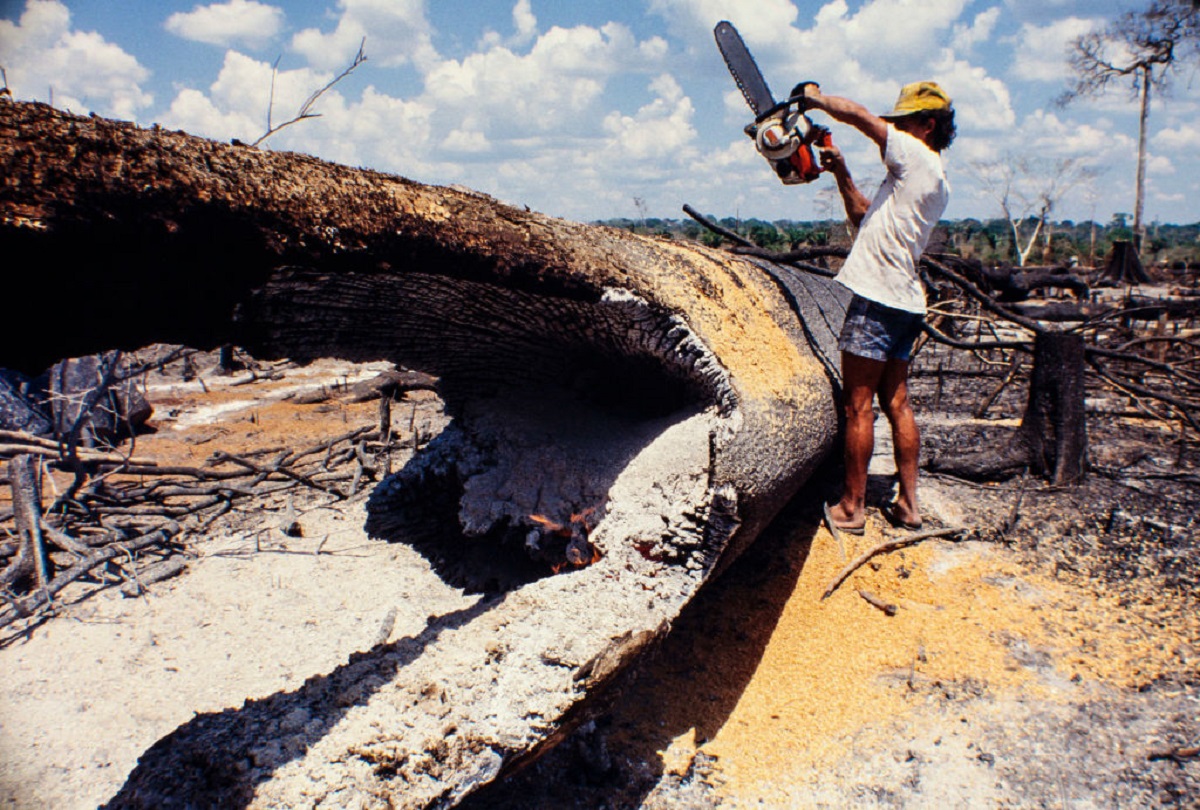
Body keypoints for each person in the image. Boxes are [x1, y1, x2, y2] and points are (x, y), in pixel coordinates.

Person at [801, 81, 956, 534]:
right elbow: (864, 216)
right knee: (898, 403)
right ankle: (908, 505)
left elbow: (860, 116)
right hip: (906, 299)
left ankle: (852, 508)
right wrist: (841, 172)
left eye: (904, 122)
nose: (895, 129)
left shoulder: (914, 155)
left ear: (927, 126)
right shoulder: (933, 178)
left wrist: (814, 96)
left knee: (858, 406)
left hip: (878, 298)